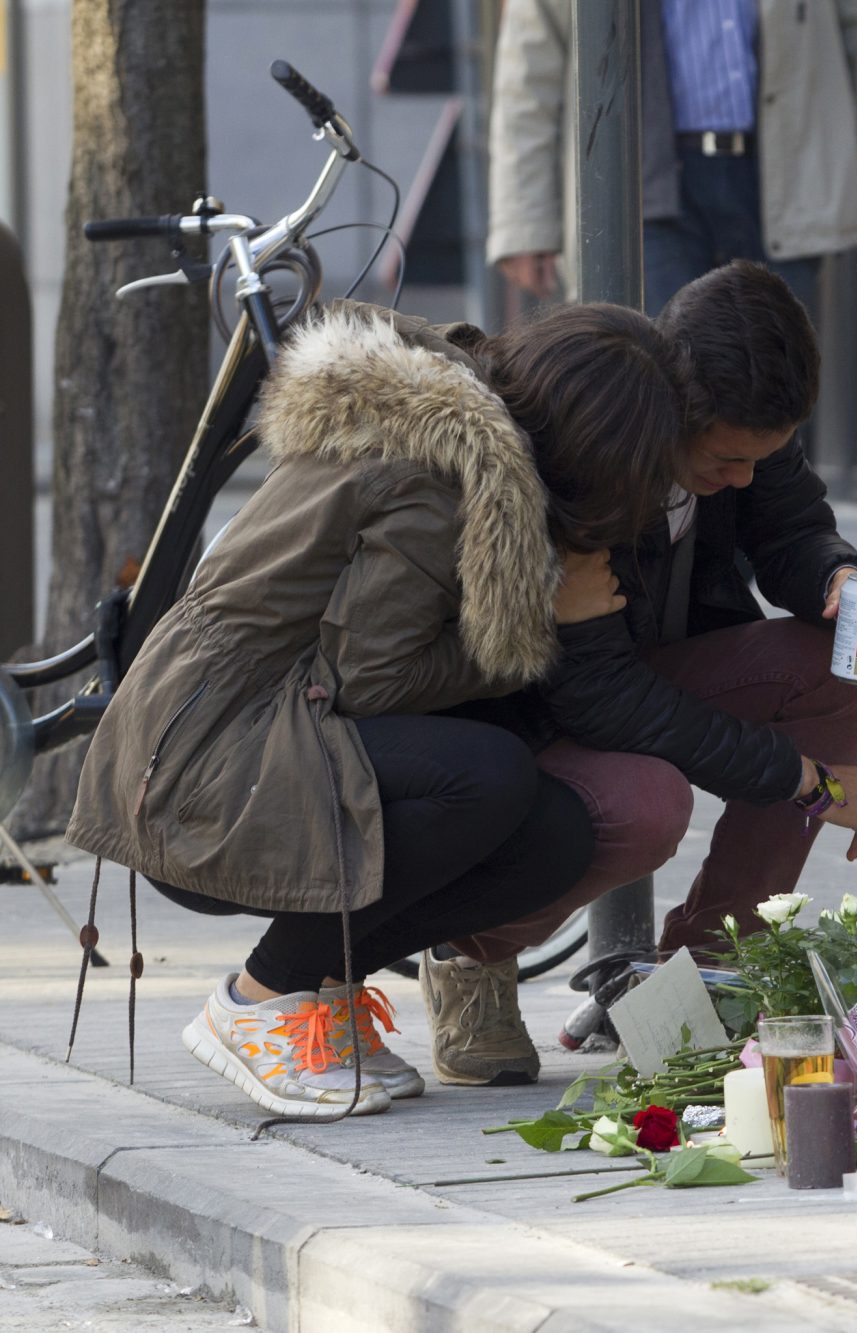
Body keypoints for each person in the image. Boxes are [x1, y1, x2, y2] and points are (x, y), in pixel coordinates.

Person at [65, 301, 682, 1119]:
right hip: (199, 768)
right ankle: (258, 999)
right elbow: (370, 682)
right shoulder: (437, 480)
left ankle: (323, 988)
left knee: (557, 835)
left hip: (266, 729)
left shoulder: (471, 448)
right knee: (486, 776)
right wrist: (548, 622)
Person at [423, 260, 857, 1077]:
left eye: (767, 455)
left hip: (641, 670)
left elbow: (791, 526)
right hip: (532, 708)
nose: (743, 478)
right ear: (672, 406)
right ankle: (471, 951)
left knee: (848, 657)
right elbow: (603, 698)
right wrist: (809, 782)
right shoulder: (588, 441)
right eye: (726, 459)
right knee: (648, 806)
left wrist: (839, 578)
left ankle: (709, 969)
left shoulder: (740, 432)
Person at [487, 0, 857, 320]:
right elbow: (529, 75)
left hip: (786, 178)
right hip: (644, 190)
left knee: (778, 399)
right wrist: (523, 220)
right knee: (659, 391)